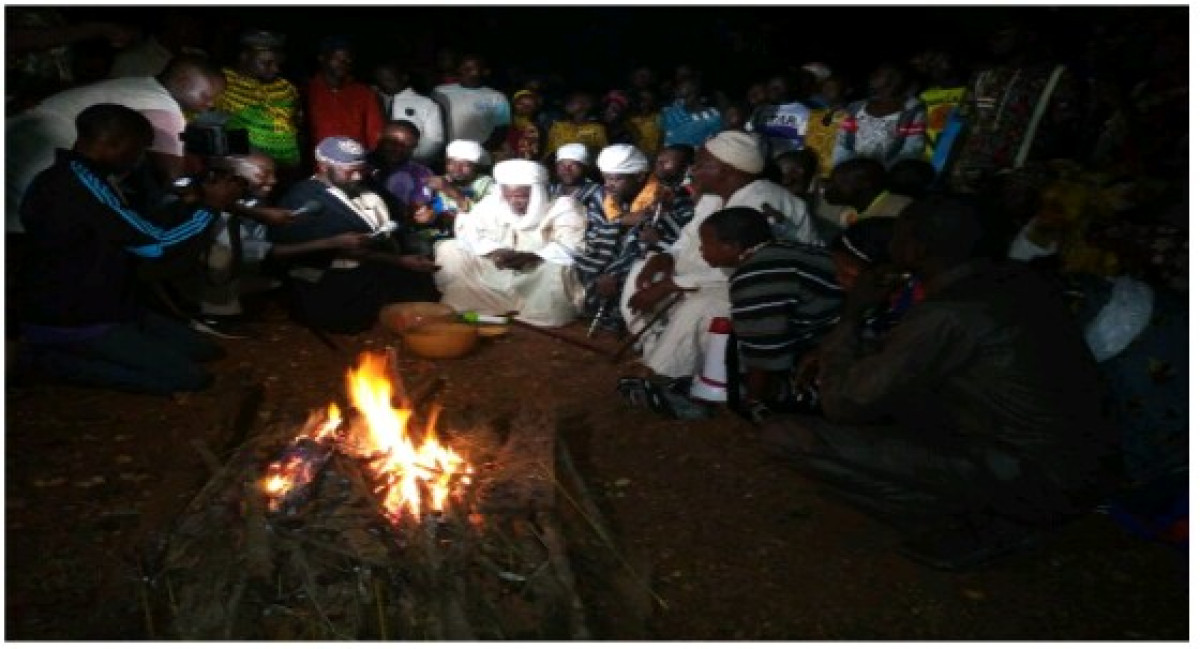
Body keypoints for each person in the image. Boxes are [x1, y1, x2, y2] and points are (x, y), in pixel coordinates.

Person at [759, 195, 1121, 570]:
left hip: (1035, 475)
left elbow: (844, 403)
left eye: (898, 232)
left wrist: (852, 316)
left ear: (916, 248)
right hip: (1075, 462)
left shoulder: (949, 312)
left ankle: (979, 522)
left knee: (786, 437)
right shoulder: (1017, 280)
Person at [14, 103, 242, 394]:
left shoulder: (71, 176)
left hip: (111, 306)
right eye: (138, 149)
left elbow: (134, 227)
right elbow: (157, 245)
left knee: (205, 350)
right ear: (114, 143)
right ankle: (45, 361)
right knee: (188, 378)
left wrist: (189, 204)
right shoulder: (80, 187)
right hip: (75, 318)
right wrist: (211, 207)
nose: (138, 158)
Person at [619, 131, 822, 382]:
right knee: (643, 269)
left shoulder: (764, 203)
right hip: (704, 279)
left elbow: (751, 269)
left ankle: (666, 374)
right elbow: (688, 239)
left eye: (702, 164)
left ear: (727, 170)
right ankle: (654, 345)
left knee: (703, 306)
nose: (693, 170)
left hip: (760, 292)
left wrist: (671, 284)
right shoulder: (712, 199)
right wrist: (667, 256)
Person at [6, 54, 226, 232]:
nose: (209, 105)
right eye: (207, 96)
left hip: (20, 135)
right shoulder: (163, 106)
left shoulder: (139, 84)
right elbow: (172, 176)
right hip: (46, 154)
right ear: (183, 82)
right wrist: (207, 195)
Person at [268, 136, 440, 334]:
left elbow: (396, 218)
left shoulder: (361, 185)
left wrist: (417, 216)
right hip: (334, 279)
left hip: (380, 265)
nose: (358, 177)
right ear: (324, 167)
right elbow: (344, 251)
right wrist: (399, 260)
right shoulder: (302, 198)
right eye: (351, 171)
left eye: (362, 170)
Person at [697, 206, 842, 422]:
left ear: (732, 247)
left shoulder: (758, 276)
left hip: (839, 350)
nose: (701, 250)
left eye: (706, 243)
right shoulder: (785, 251)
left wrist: (752, 403)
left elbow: (766, 355)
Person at [433, 159, 587, 327]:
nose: (514, 201)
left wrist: (531, 256)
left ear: (537, 193)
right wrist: (494, 251)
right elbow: (468, 233)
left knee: (558, 268)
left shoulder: (563, 206)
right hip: (497, 266)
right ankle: (475, 305)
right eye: (508, 196)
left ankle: (534, 314)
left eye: (521, 196)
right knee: (450, 249)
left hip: (536, 272)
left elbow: (572, 246)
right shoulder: (492, 203)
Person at [576, 144, 695, 330]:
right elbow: (593, 233)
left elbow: (678, 239)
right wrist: (622, 221)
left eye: (616, 179)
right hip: (603, 257)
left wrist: (654, 227)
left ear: (639, 176)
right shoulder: (602, 196)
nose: (609, 184)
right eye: (606, 178)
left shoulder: (667, 198)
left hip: (640, 260)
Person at [214, 30, 302, 169]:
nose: (275, 69)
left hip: (286, 170)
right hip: (245, 171)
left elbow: (296, 120)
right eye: (266, 63)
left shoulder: (286, 87)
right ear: (244, 57)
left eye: (277, 63)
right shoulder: (222, 83)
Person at [833, 62, 928, 170]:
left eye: (878, 74)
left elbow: (912, 148)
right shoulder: (856, 108)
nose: (872, 76)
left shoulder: (912, 111)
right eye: (879, 74)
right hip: (852, 172)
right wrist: (843, 168)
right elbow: (842, 143)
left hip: (889, 173)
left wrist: (885, 171)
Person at [305, 36, 385, 151]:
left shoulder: (364, 93)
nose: (343, 63)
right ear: (322, 58)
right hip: (317, 163)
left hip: (354, 163)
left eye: (348, 58)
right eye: (337, 58)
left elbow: (374, 132)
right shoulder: (307, 90)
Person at [431, 53, 510, 154]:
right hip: (445, 154)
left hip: (479, 155)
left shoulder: (498, 98)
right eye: (463, 67)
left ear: (485, 72)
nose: (465, 71)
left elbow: (501, 131)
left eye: (471, 68)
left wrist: (480, 150)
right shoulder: (439, 92)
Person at [373, 62, 445, 168]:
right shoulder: (375, 100)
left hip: (412, 163)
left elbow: (434, 140)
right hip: (377, 163)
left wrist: (407, 159)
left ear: (404, 78)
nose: (384, 84)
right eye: (380, 80)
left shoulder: (426, 104)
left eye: (389, 80)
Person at [424, 139, 496, 239]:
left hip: (474, 237)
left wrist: (452, 191)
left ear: (477, 167)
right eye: (452, 163)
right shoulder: (440, 181)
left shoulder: (487, 184)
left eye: (465, 165)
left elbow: (487, 218)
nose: (457, 169)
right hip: (441, 234)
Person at [822, 158, 914, 227]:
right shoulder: (851, 212)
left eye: (839, 182)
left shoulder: (899, 211)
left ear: (865, 184)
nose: (829, 186)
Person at [750, 70, 814, 159]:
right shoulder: (760, 110)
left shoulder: (804, 112)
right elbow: (750, 134)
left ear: (790, 88)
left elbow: (805, 144)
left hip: (786, 162)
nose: (772, 91)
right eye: (770, 87)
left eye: (777, 88)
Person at [548, 143, 605, 229]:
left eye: (573, 165)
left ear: (584, 167)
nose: (567, 170)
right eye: (562, 165)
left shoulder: (597, 192)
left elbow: (600, 225)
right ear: (556, 167)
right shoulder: (551, 190)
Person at [543, 90, 609, 162]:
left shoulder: (597, 129)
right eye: (570, 100)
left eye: (574, 100)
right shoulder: (558, 126)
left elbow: (604, 154)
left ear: (587, 104)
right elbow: (548, 153)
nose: (569, 103)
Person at [661, 77, 722, 148]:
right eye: (680, 97)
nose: (682, 101)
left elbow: (715, 143)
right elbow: (663, 138)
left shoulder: (713, 116)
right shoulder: (670, 112)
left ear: (697, 94)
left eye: (686, 96)